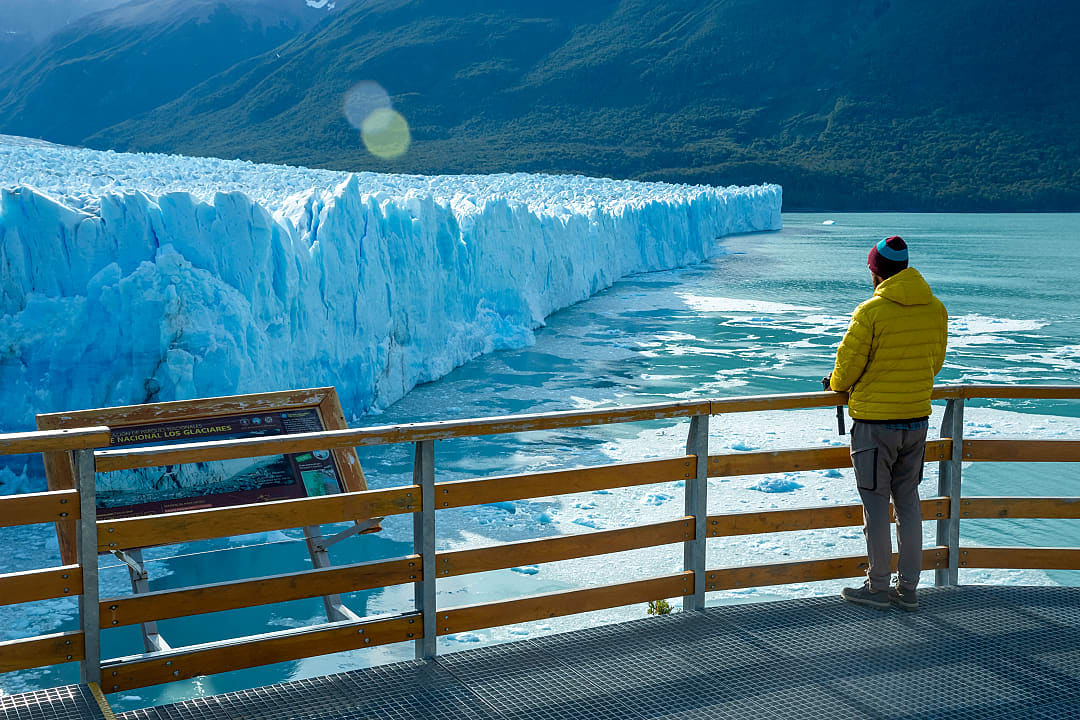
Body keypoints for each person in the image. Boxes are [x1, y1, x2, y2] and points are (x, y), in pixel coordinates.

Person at [825, 236, 948, 611]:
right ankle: (908, 589)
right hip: (917, 419)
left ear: (876, 271)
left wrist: (833, 385)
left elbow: (845, 371)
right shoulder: (935, 309)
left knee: (876, 504)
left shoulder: (871, 312)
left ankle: (878, 587)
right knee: (908, 502)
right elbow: (935, 364)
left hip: (875, 425)